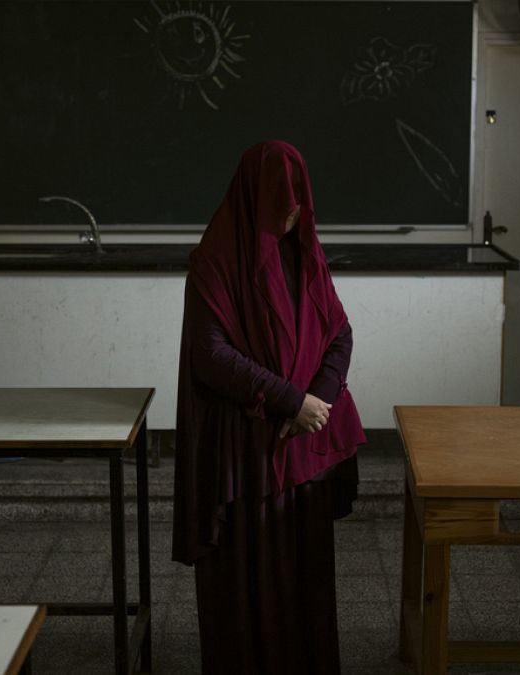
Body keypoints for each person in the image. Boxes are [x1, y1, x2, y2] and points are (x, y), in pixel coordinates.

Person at [172, 140, 366, 674]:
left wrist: (319, 402)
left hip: (302, 447)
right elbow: (210, 356)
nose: (292, 212)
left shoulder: (305, 251)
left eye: (299, 201)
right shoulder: (216, 258)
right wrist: (289, 402)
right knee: (249, 577)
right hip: (246, 452)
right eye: (282, 201)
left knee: (304, 576)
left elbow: (339, 333)